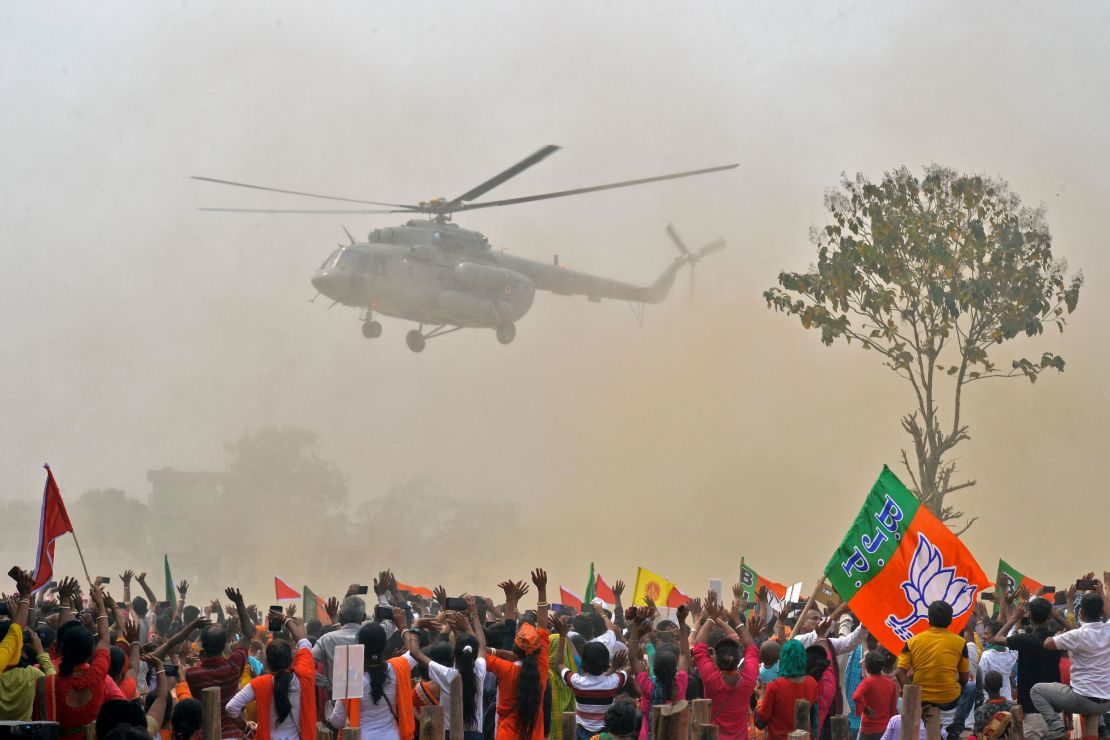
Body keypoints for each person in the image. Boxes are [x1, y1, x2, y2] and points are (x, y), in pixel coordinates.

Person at [405, 595, 488, 739]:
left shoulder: (447, 675)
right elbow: (481, 646)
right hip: (475, 735)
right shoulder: (479, 672)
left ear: (453, 654)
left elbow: (415, 652)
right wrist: (473, 617)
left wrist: (415, 626)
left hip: (449, 733)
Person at [1031, 591, 1110, 740]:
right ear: (1101, 612)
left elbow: (1047, 644)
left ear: (1082, 613)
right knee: (1091, 711)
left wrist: (1055, 635)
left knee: (1037, 690)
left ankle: (1056, 726)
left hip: (1082, 699)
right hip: (1106, 701)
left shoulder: (1077, 635)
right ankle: (1102, 730)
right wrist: (1101, 592)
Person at [326, 612, 418, 740]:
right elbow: (414, 653)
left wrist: (338, 699)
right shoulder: (397, 668)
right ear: (384, 645)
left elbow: (337, 722)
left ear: (360, 647)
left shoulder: (350, 676)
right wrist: (404, 627)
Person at [985, 595, 1064, 740]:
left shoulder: (1024, 639)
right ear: (1049, 617)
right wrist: (1057, 615)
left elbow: (996, 638)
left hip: (1030, 710)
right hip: (1054, 710)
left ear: (1030, 617)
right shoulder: (1057, 639)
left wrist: (1015, 618)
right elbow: (1078, 631)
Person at [226, 613, 316, 740]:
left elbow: (231, 708)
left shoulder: (260, 683)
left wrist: (246, 728)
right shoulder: (304, 676)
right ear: (291, 659)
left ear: (267, 663)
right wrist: (286, 620)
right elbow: (305, 643)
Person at [484, 570, 550, 740]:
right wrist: (542, 589)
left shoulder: (506, 668)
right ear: (538, 650)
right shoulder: (542, 667)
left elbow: (479, 651)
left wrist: (510, 601)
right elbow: (543, 623)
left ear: (515, 648)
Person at [184, 587, 254, 739]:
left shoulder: (191, 674)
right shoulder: (234, 666)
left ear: (202, 647)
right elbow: (249, 632)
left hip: (203, 734)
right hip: (231, 734)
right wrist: (239, 602)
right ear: (224, 647)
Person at [46, 583, 114, 732]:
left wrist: (64, 601)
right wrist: (100, 604)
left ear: (61, 648)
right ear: (91, 652)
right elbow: (104, 639)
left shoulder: (48, 681)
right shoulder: (98, 674)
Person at [554, 611, 631, 740]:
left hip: (582, 735)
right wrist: (615, 666)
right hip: (605, 735)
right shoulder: (613, 682)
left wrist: (562, 636)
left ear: (583, 662)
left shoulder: (577, 682)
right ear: (607, 662)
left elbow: (558, 663)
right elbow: (632, 665)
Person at [693, 591, 759, 740]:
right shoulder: (748, 679)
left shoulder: (711, 679)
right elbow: (752, 648)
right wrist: (737, 621)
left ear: (716, 659)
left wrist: (711, 618)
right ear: (738, 658)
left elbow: (699, 646)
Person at [895, 601, 969, 715]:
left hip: (920, 699)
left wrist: (912, 697)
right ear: (950, 620)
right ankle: (957, 727)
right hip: (949, 701)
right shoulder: (961, 642)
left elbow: (899, 672)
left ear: (928, 618)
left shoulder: (911, 641)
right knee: (972, 687)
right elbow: (964, 679)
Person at [627, 605, 688, 740]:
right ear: (675, 670)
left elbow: (631, 657)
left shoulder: (648, 687)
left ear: (654, 670)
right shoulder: (681, 683)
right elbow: (684, 653)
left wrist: (636, 626)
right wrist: (682, 622)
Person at [755, 639, 819, 740]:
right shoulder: (813, 683)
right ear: (803, 659)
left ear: (782, 658)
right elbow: (814, 718)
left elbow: (761, 722)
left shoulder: (775, 686)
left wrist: (761, 697)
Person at [853, 650, 899, 740]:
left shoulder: (867, 682)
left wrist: (864, 707)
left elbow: (856, 696)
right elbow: (893, 709)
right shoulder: (891, 684)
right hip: (885, 728)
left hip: (868, 729)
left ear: (867, 668)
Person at [973, 671, 1014, 736]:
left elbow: (977, 734)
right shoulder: (1013, 706)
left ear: (985, 687)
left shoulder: (980, 711)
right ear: (1001, 685)